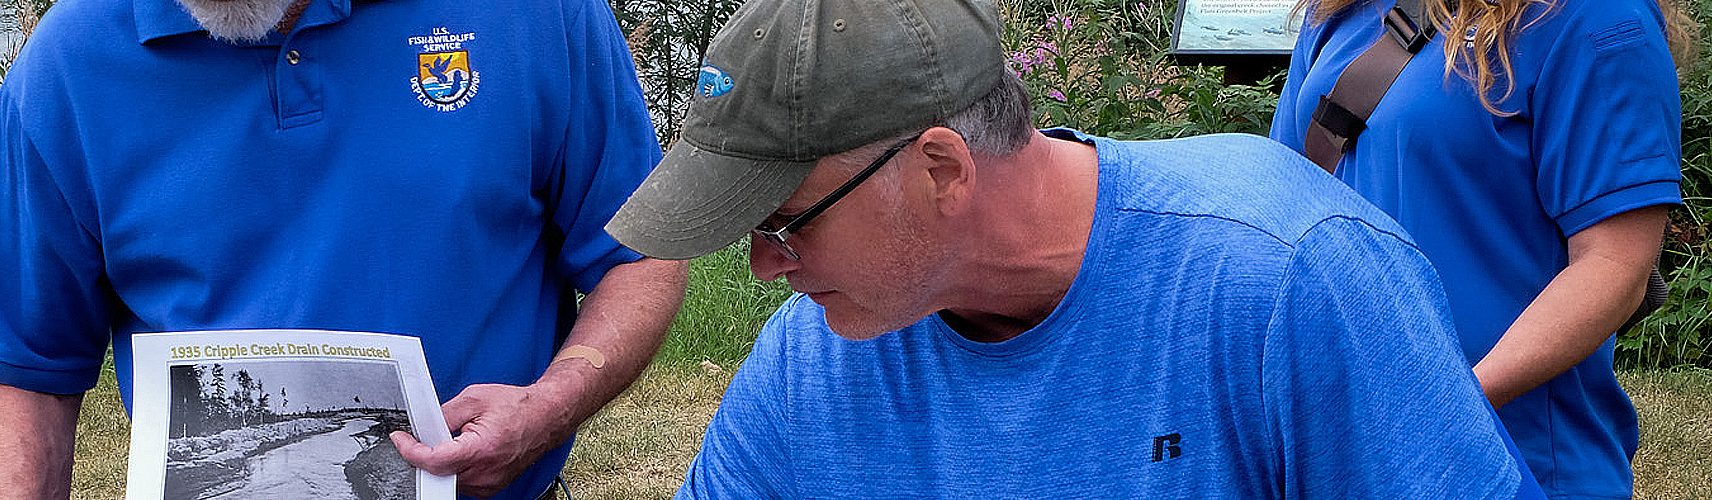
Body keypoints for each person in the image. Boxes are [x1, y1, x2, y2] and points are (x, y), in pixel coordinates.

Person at [602, 0, 1541, 497]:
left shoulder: (1287, 275)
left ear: (941, 169)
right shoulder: (811, 365)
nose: (765, 265)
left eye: (786, 221)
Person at [0, 0, 685, 498]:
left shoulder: (535, 14)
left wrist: (547, 409)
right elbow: (28, 373)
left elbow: (640, 252)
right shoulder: (69, 64)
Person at [1268, 0, 1687, 496]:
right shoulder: (1340, 11)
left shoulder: (1596, 17)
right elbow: (1281, 207)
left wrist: (1441, 412)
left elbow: (1614, 265)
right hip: (1342, 449)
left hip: (1512, 457)